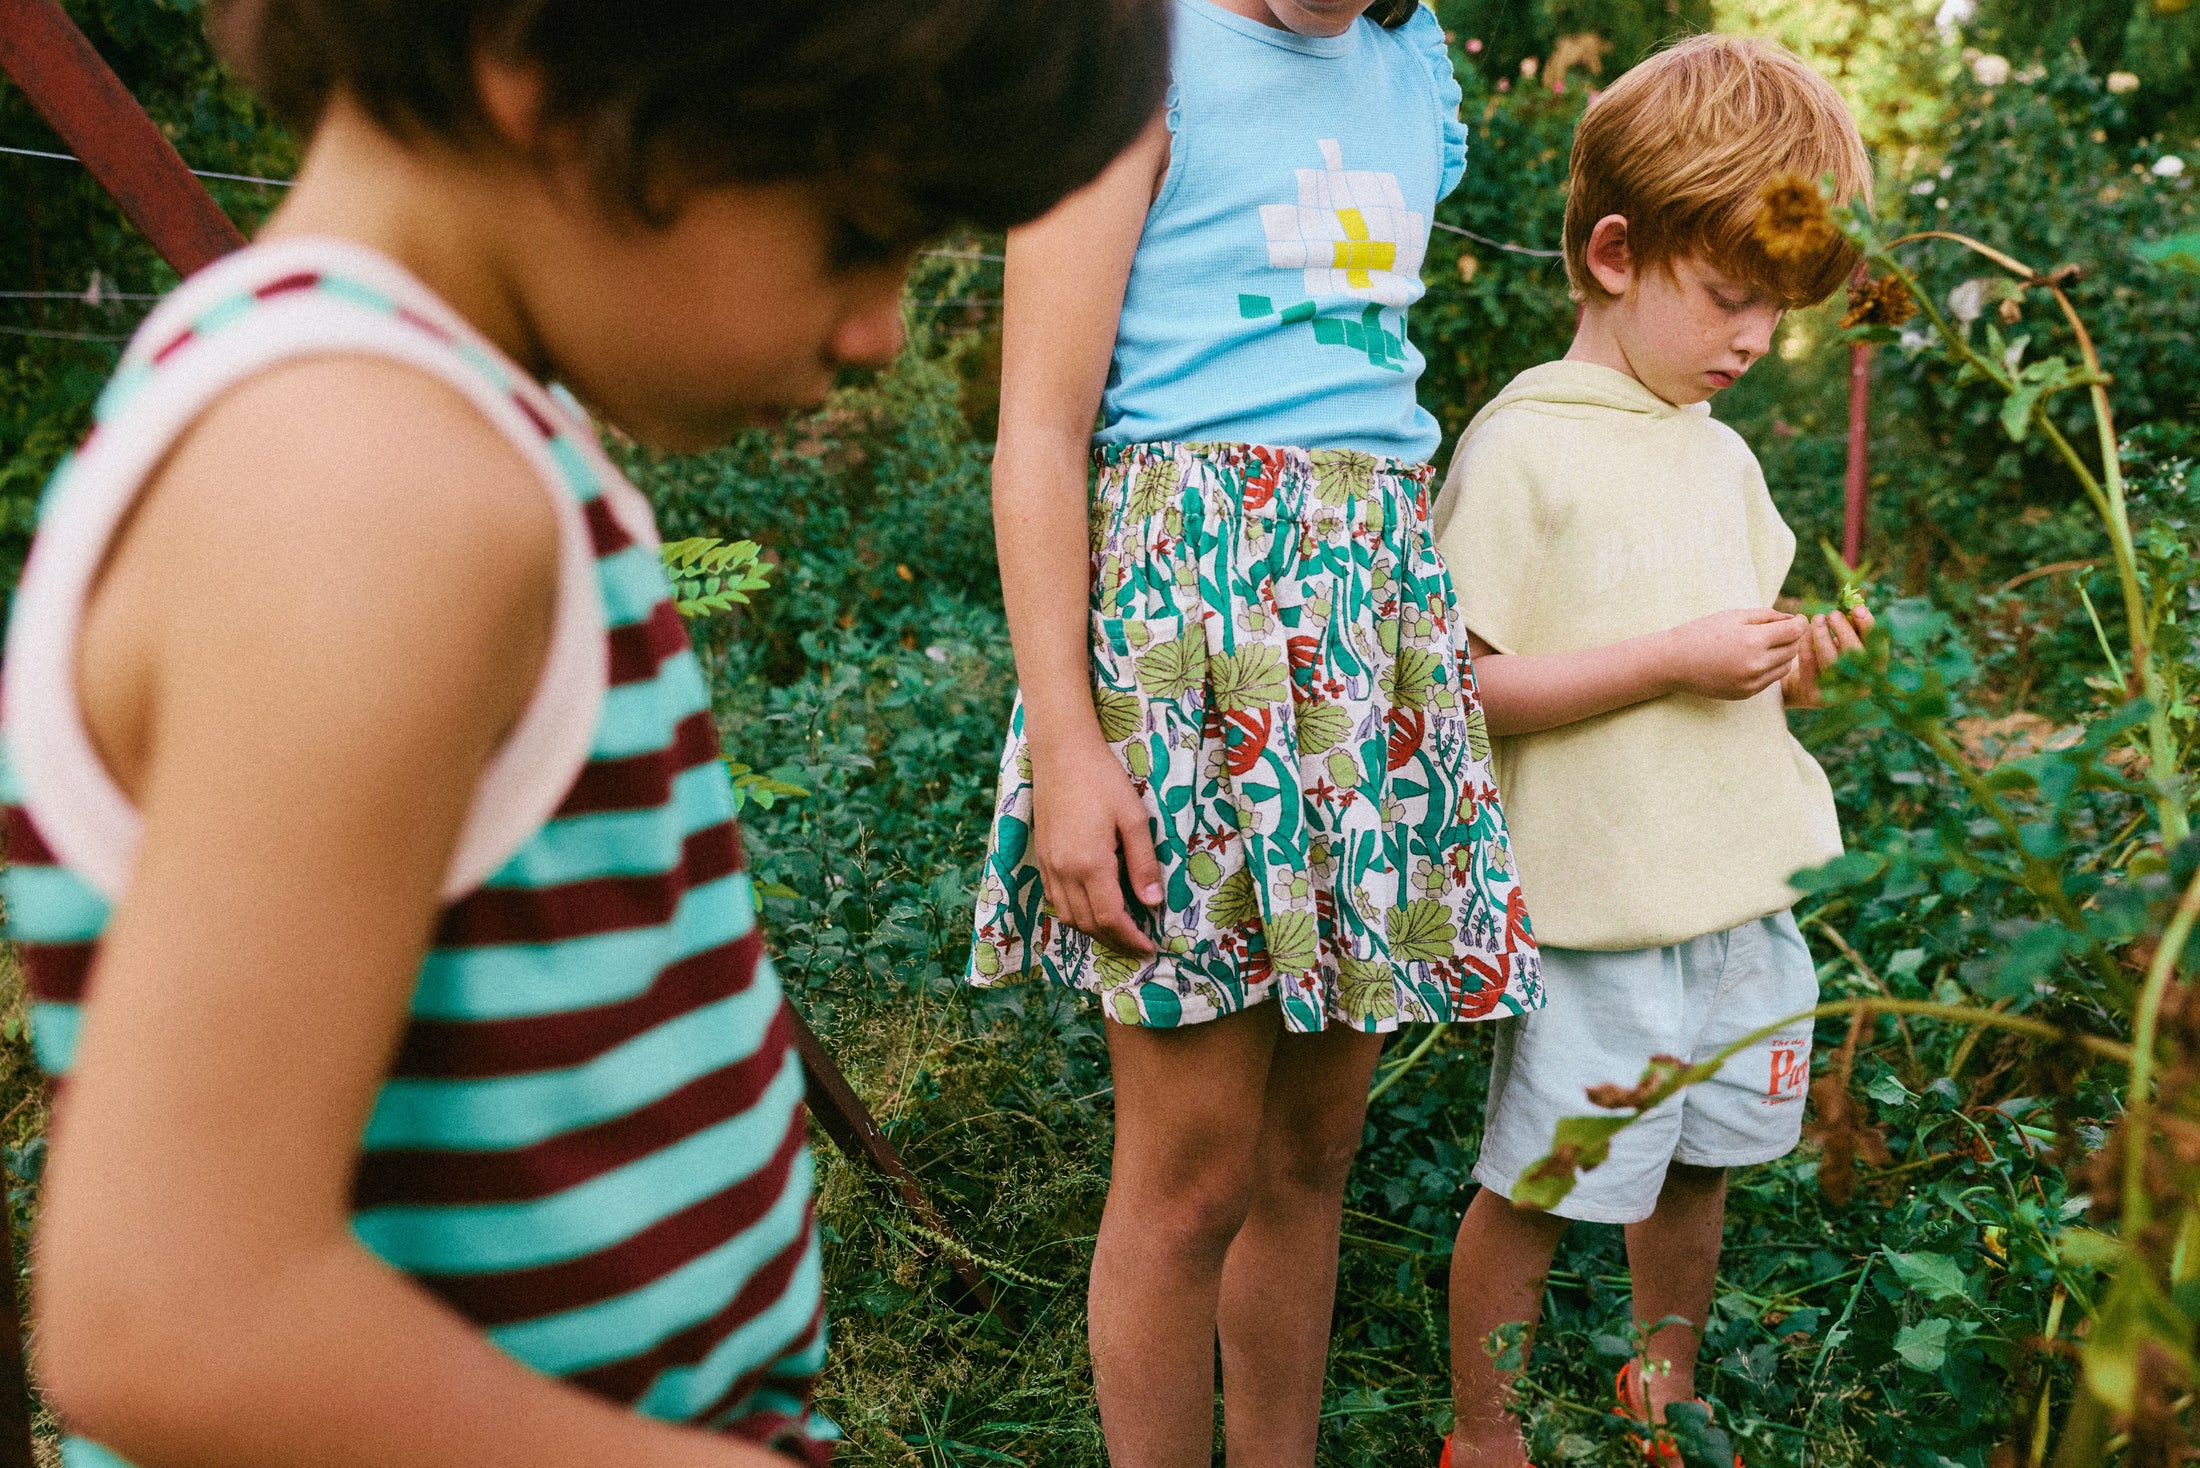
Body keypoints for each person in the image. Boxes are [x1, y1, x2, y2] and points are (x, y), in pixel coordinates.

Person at [0, 3, 1168, 1465]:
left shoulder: (415, 433)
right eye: (858, 230)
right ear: (549, 62)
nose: (880, 333)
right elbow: (174, 1320)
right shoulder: (365, 487)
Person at [966, 1, 1542, 1462]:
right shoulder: (1135, 54)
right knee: (1192, 1175)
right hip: (1185, 644)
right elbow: (1038, 428)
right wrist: (1069, 747)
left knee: (1311, 1152)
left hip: (1367, 630)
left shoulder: (1409, 70)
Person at [1428, 33, 1875, 1468]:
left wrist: (1794, 658)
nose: (1753, 342)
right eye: (1732, 298)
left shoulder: (1717, 450)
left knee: (1703, 1168)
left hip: (1734, 888)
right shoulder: (1526, 447)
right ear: (1617, 254)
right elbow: (1463, 694)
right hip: (1605, 905)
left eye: (1776, 315)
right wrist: (1672, 662)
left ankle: (1661, 1393)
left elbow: (1732, 655)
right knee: (1549, 1183)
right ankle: (1483, 1429)